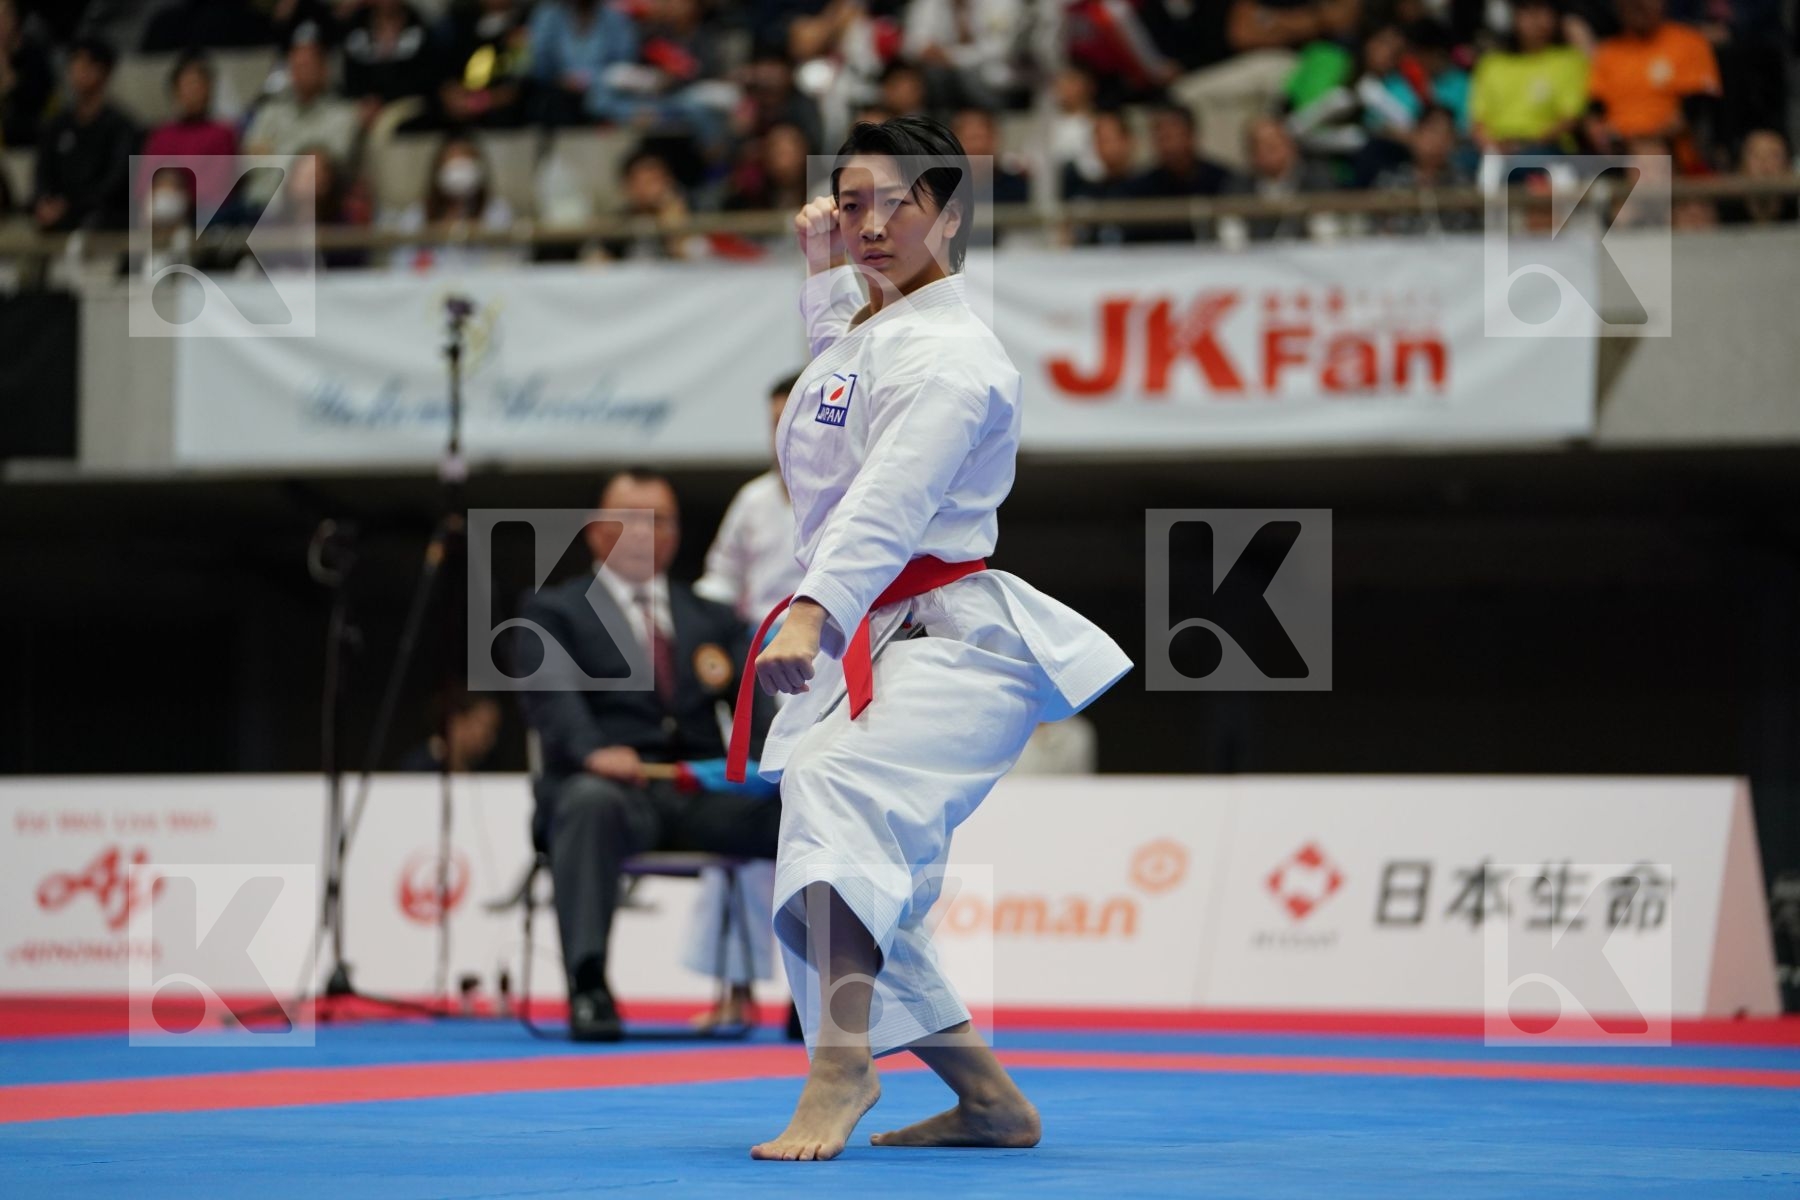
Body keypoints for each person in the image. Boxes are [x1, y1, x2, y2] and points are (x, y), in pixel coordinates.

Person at [738, 115, 1131, 1160]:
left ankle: (839, 1062)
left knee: (833, 796)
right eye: (851, 202)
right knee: (866, 883)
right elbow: (835, 399)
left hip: (953, 638)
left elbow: (888, 497)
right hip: (889, 628)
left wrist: (817, 607)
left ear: (949, 215)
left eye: (893, 205)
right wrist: (820, 274)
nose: (869, 224)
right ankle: (993, 1103)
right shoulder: (876, 328)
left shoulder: (957, 356)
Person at [516, 468, 778, 1041]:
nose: (646, 533)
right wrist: (593, 753)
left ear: (677, 535)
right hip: (609, 792)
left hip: (701, 795)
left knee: (808, 805)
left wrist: (779, 764)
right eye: (629, 520)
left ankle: (822, 996)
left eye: (660, 521)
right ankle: (589, 986)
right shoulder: (552, 613)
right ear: (594, 531)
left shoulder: (712, 619)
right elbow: (551, 702)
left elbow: (757, 705)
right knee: (588, 802)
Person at [685, 371, 806, 1032]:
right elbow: (715, 590)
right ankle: (732, 989)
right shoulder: (753, 502)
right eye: (774, 420)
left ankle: (811, 996)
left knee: (816, 834)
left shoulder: (854, 491)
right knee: (736, 828)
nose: (783, 432)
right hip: (758, 679)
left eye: (796, 417)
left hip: (835, 674)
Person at [32, 38, 138, 233]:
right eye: (74, 64)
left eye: (85, 64)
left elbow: (115, 182)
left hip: (101, 215)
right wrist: (44, 199)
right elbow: (43, 170)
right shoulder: (57, 124)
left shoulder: (120, 126)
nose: (77, 71)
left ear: (103, 71)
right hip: (56, 214)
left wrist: (72, 205)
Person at [383, 131, 522, 272]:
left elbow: (511, 260)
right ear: (438, 170)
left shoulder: (498, 211)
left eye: (465, 161)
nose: (459, 169)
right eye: (452, 161)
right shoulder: (416, 215)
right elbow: (400, 263)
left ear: (479, 168)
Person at [1470, 0, 1591, 155]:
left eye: (1541, 11)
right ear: (1514, 17)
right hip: (1496, 149)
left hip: (1547, 147)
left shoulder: (1570, 61)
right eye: (1527, 11)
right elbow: (1478, 121)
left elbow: (1571, 118)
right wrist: (1492, 147)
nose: (1535, 20)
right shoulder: (1491, 63)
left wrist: (1526, 145)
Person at [141, 53, 239, 218]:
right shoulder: (161, 135)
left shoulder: (223, 134)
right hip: (156, 212)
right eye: (187, 85)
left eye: (199, 85)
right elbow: (143, 184)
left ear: (209, 90)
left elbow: (221, 188)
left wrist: (181, 193)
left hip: (203, 214)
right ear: (175, 90)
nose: (193, 91)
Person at [242, 37, 360, 166]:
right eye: (295, 66)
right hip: (266, 185)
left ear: (324, 70)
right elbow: (250, 159)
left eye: (307, 66)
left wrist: (275, 153)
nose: (300, 72)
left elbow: (331, 164)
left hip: (309, 184)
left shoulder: (342, 115)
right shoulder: (270, 111)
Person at [398, 689, 504, 771]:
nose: (490, 738)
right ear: (458, 720)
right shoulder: (421, 763)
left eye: (493, 730)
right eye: (485, 726)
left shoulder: (487, 766)